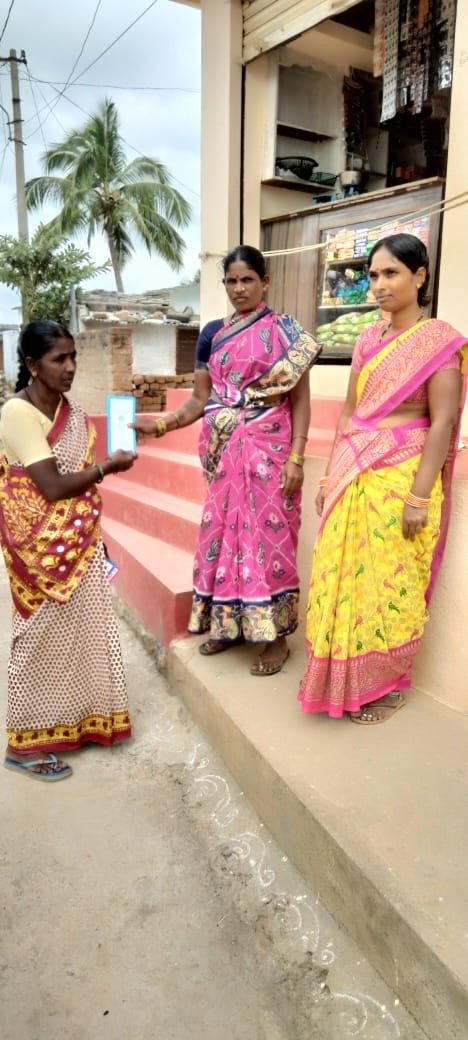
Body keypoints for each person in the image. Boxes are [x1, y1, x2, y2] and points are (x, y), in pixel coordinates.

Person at [298, 232, 468, 723]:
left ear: (420, 276)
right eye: (373, 275)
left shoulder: (439, 342)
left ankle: (389, 684)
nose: (378, 284)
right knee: (339, 580)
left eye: (391, 273)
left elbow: (443, 422)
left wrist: (419, 497)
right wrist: (329, 476)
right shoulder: (368, 338)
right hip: (352, 471)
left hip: (400, 478)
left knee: (390, 586)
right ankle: (337, 679)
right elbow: (350, 410)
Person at [131, 245, 321, 675]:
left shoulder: (286, 333)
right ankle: (228, 624)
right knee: (221, 536)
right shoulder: (212, 334)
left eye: (247, 279)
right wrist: (160, 426)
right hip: (222, 452)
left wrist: (297, 457)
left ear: (265, 282)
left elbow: (300, 400)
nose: (239, 288)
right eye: (231, 281)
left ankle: (276, 637)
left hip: (271, 451)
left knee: (269, 541)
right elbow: (200, 399)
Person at [0, 320, 137, 780]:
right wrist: (107, 469)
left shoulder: (69, 410)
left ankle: (76, 722)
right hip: (38, 549)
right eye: (59, 358)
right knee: (35, 640)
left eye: (73, 356)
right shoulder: (18, 412)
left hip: (77, 542)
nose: (70, 366)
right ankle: (21, 746)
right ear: (32, 364)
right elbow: (53, 486)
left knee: (79, 634)